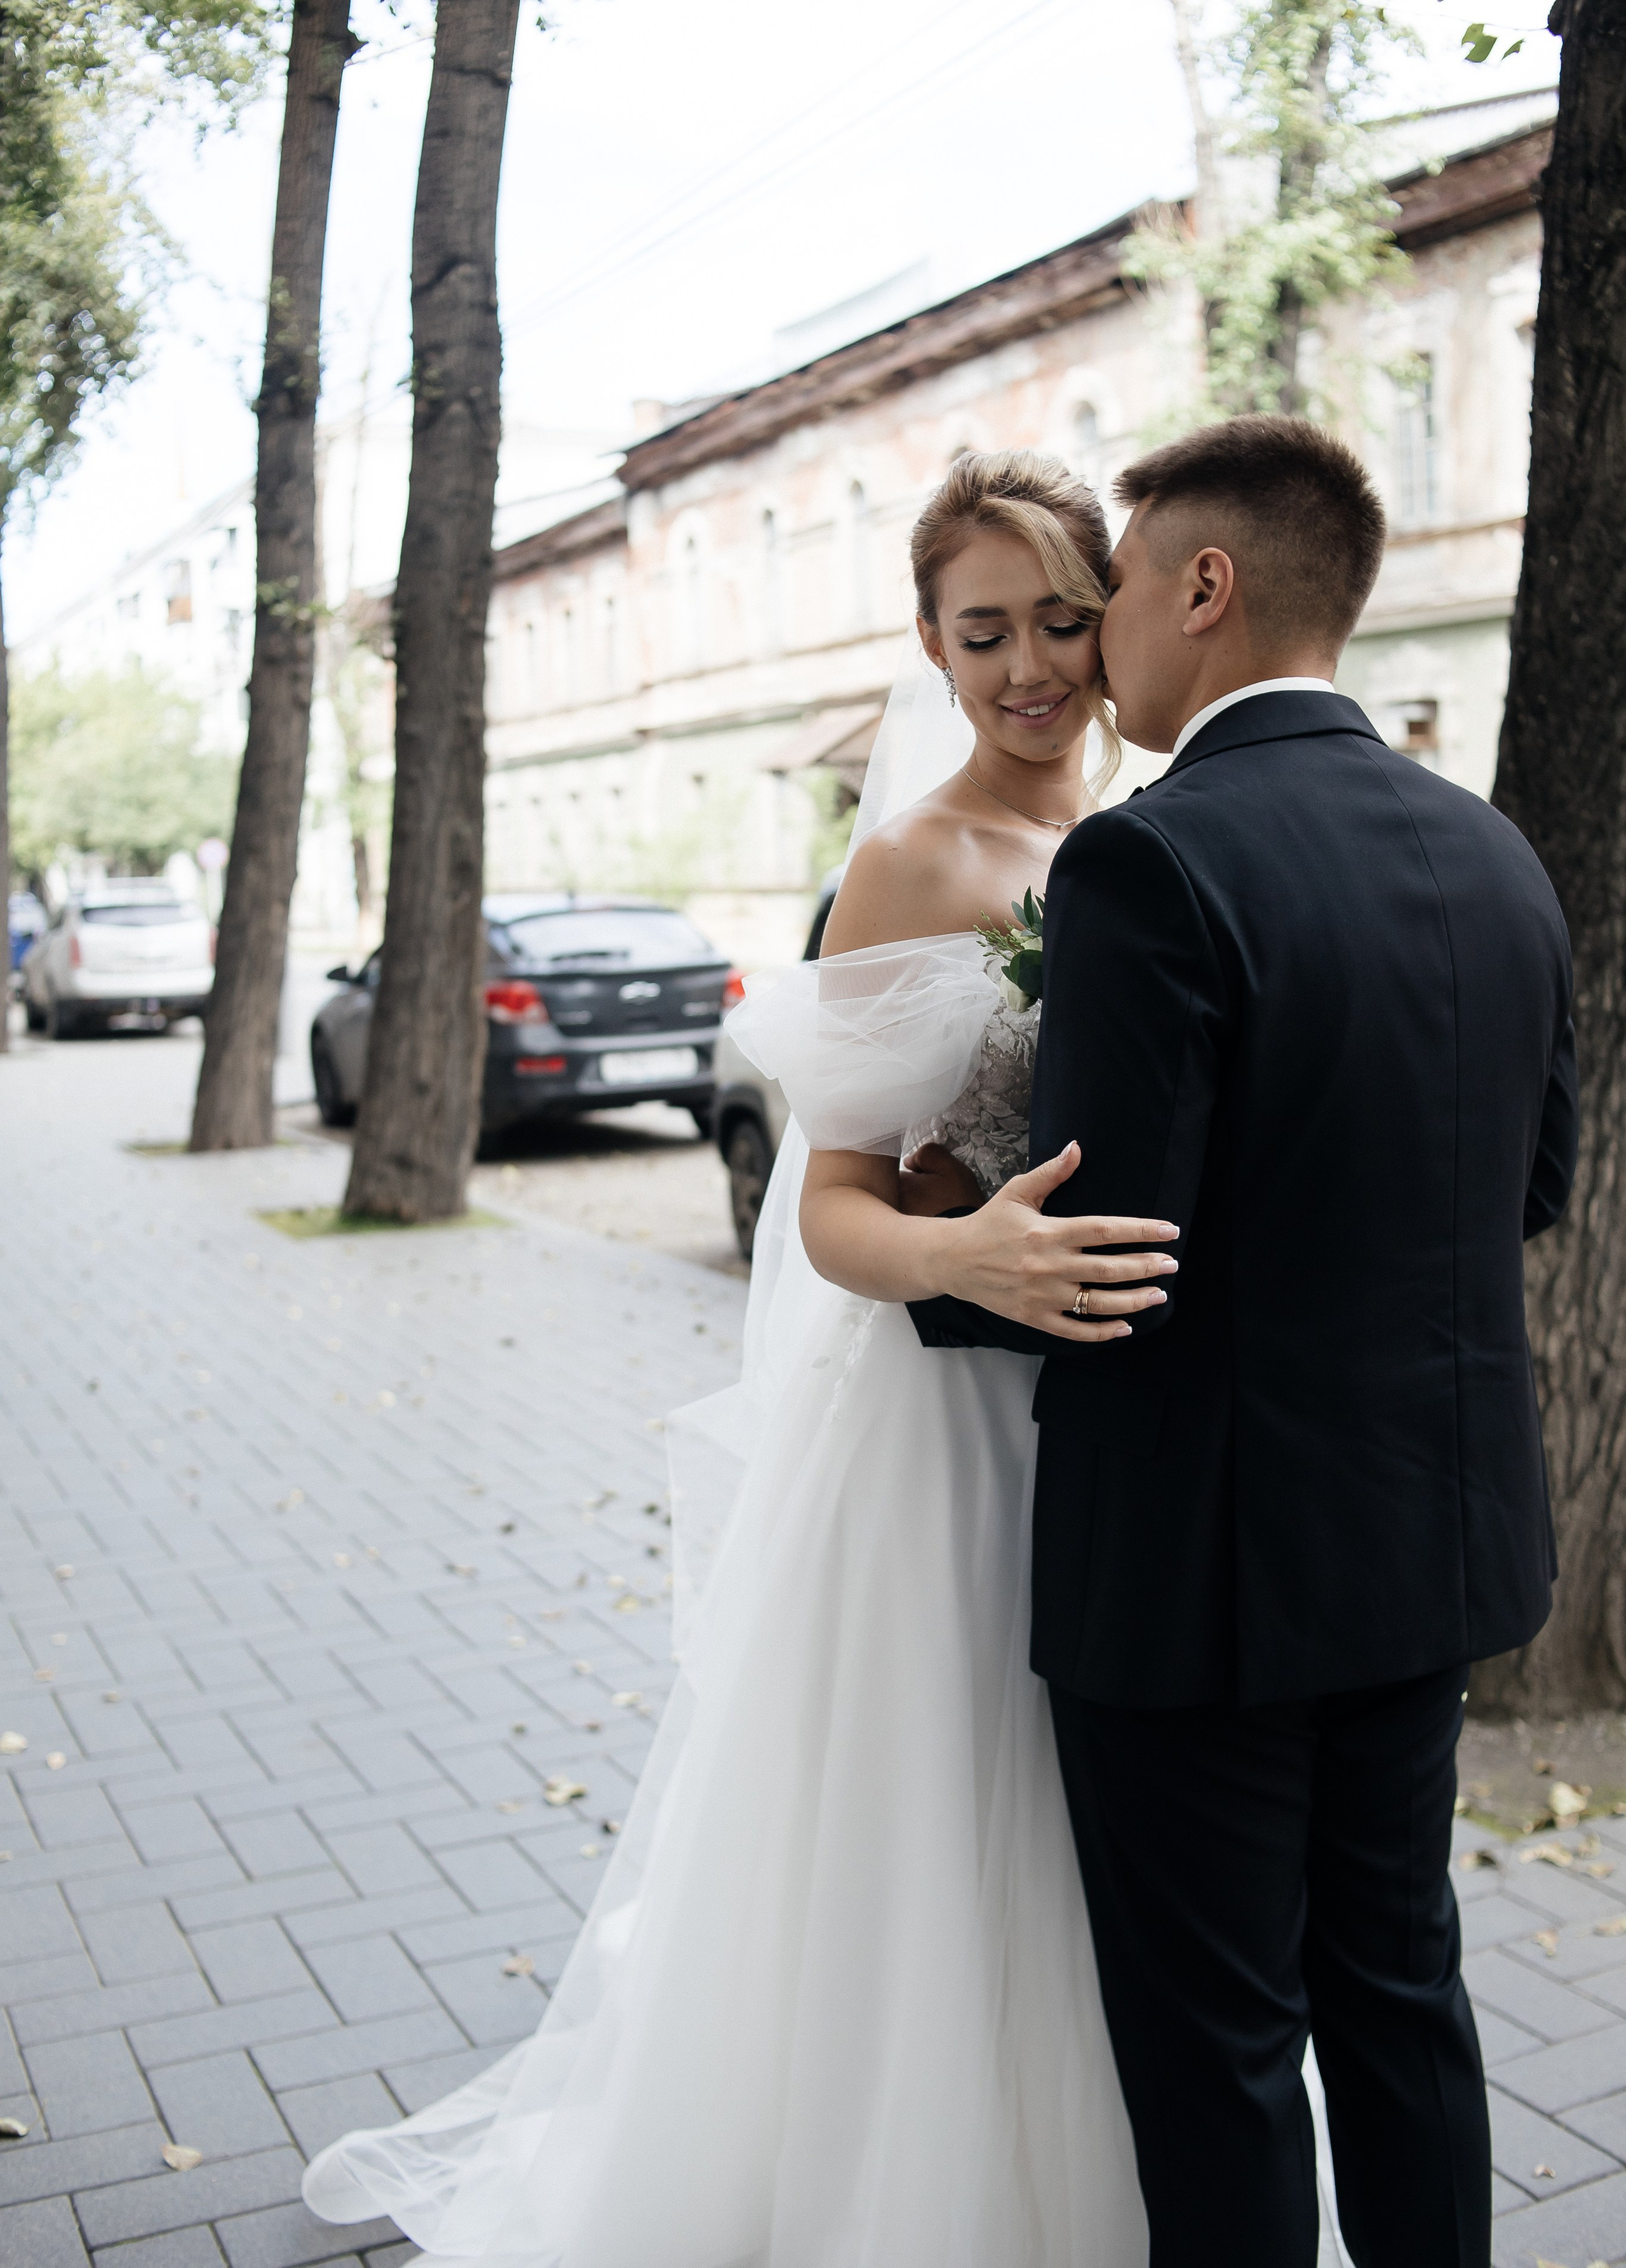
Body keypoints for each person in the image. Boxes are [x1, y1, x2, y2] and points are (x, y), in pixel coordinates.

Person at [302, 450, 1169, 2266]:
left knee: (1109, 1838)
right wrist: (969, 1252)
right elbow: (836, 1207)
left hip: (1113, 1408)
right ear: (930, 647)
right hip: (939, 1425)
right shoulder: (913, 859)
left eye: (1060, 623)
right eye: (983, 630)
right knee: (942, 1821)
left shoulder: (1156, 838)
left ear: (1116, 621)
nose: (1028, 667)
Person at [904, 415, 1579, 2264]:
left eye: (1108, 595)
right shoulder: (1496, 855)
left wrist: (930, 1262)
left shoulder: (1153, 863)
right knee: (1400, 1995)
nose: (1091, 641)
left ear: (1200, 590)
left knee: (1217, 2051)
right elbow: (1528, 1184)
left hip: (1202, 1582)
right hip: (1431, 1547)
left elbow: (1105, 1259)